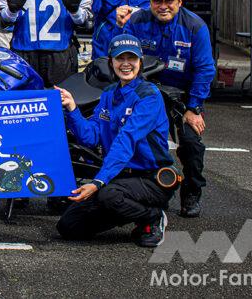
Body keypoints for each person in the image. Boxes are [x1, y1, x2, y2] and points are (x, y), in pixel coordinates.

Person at [55, 34, 177, 248]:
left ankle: (152, 216)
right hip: (119, 179)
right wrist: (72, 109)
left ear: (140, 62)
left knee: (109, 195)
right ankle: (126, 209)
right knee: (68, 226)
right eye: (120, 58)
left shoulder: (149, 96)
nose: (126, 64)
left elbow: (126, 139)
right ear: (111, 62)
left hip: (150, 179)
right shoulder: (108, 94)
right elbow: (91, 137)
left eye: (132, 58)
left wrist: (98, 182)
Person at [123, 0, 214, 218]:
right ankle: (148, 192)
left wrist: (193, 108)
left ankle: (192, 191)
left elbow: (205, 69)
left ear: (180, 1)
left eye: (169, 1)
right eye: (157, 1)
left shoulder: (195, 27)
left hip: (183, 96)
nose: (163, 6)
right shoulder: (136, 21)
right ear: (150, 2)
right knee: (138, 141)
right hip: (146, 93)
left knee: (192, 144)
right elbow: (123, 59)